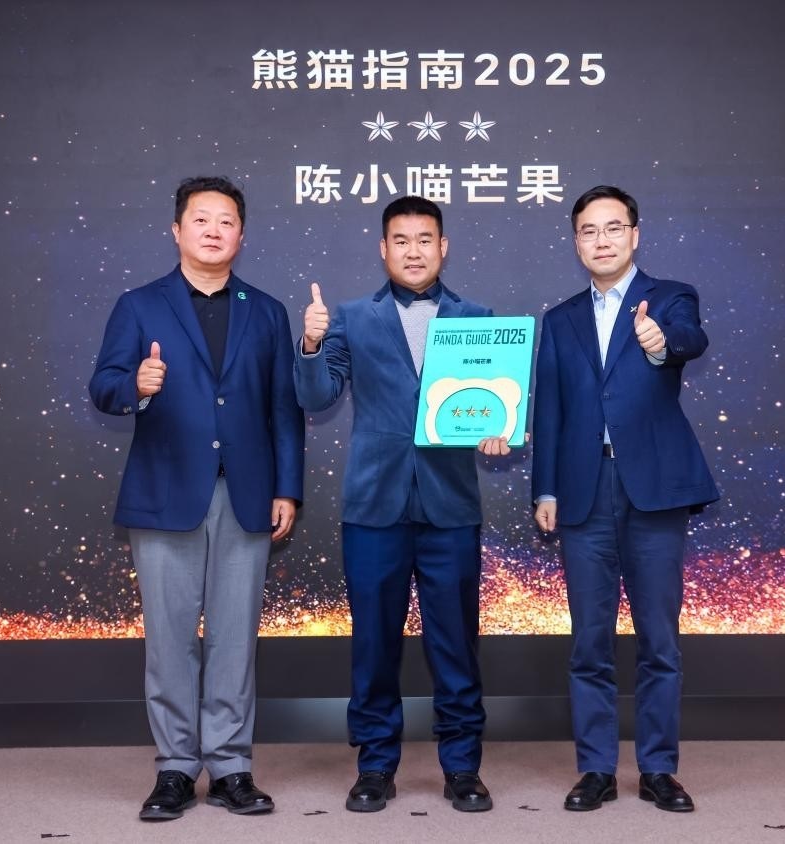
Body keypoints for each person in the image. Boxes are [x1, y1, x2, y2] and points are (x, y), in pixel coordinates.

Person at [89, 175, 304, 821]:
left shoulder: (266, 311)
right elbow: (103, 386)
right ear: (177, 230)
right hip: (164, 497)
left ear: (241, 235)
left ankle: (232, 766)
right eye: (201, 219)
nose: (214, 230)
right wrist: (136, 383)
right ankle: (176, 769)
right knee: (170, 641)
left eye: (226, 221)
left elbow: (283, 409)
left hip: (245, 496)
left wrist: (287, 488)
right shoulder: (138, 305)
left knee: (234, 640)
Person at [295, 195, 511, 814]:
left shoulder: (478, 318)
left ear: (443, 247)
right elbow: (316, 397)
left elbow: (493, 402)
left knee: (456, 645)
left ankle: (463, 767)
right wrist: (310, 345)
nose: (413, 251)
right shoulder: (351, 317)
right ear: (383, 248)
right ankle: (374, 766)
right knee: (373, 646)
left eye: (424, 239)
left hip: (451, 507)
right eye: (401, 240)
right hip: (374, 507)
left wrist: (496, 429)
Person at [531, 185, 719, 814]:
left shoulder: (670, 297)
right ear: (576, 242)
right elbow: (551, 409)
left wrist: (659, 342)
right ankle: (596, 769)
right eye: (589, 230)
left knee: (659, 640)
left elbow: (690, 339)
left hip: (654, 491)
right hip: (583, 493)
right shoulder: (559, 319)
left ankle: (659, 769)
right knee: (589, 642)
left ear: (635, 235)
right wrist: (546, 488)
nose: (602, 240)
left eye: (613, 228)